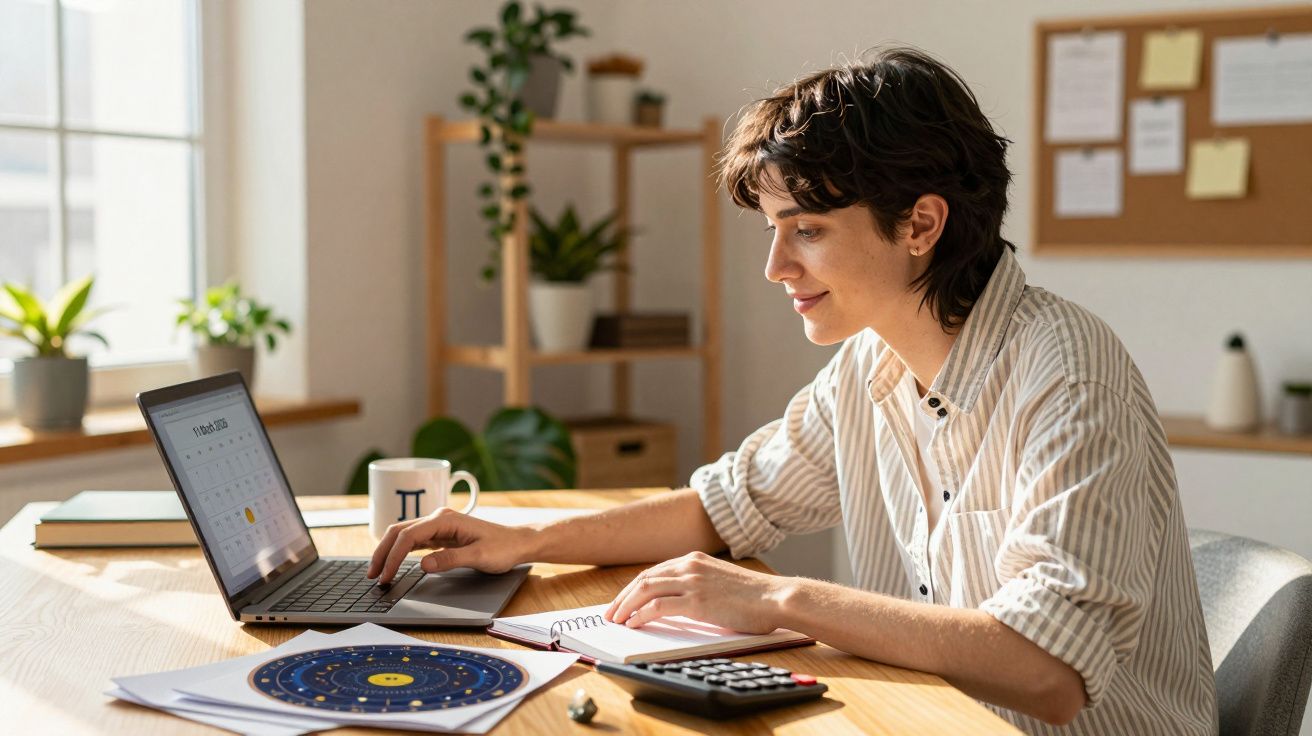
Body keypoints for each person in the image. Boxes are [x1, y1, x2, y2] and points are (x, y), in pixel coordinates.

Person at [369, 48, 1217, 734]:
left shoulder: (1067, 374)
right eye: (774, 231)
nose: (776, 268)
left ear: (921, 225)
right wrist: (524, 538)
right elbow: (725, 508)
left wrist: (775, 598)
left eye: (806, 230)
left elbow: (1048, 672)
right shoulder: (868, 366)